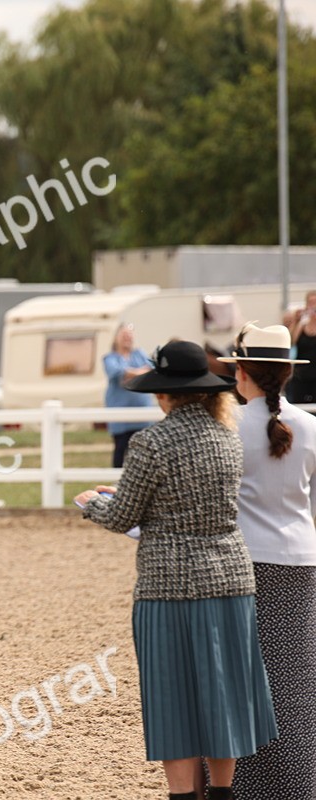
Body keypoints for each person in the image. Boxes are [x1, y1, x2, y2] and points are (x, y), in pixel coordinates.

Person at [74, 339, 277, 800]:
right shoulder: (227, 438)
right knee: (224, 696)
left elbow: (122, 518)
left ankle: (183, 795)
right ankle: (222, 793)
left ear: (163, 393)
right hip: (230, 580)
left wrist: (90, 505)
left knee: (174, 701)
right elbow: (194, 500)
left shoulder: (151, 442)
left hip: (169, 586)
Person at [217, 323, 316, 800]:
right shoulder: (311, 426)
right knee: (294, 682)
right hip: (301, 561)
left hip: (244, 561)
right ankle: (296, 782)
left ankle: (241, 783)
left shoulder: (229, 425)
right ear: (286, 373)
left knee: (239, 678)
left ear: (242, 372)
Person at [104, 324, 155, 466]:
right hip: (120, 420)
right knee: (120, 452)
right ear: (116, 338)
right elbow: (116, 372)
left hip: (143, 417)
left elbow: (152, 369)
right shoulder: (110, 358)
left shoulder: (140, 354)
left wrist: (130, 373)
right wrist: (139, 372)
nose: (127, 338)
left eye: (129, 335)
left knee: (144, 454)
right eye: (124, 335)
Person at [286, 290, 316, 403]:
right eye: (311, 303)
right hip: (301, 375)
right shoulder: (301, 326)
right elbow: (290, 342)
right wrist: (295, 321)